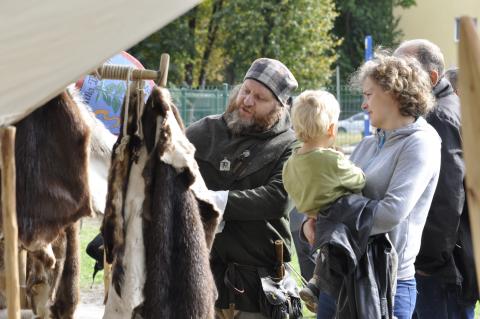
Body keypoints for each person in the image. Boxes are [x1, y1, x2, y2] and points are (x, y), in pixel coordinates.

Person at [303, 52, 441, 319]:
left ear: (393, 91)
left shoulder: (421, 143)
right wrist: (312, 218)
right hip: (340, 274)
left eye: (368, 95)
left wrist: (327, 222)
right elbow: (337, 194)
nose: (364, 105)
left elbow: (390, 213)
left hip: (386, 282)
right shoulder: (368, 143)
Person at [186, 58, 299, 319]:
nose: (247, 101)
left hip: (258, 288)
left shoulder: (290, 145)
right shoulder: (203, 132)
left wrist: (213, 201)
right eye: (245, 91)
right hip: (203, 279)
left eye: (259, 97)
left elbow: (278, 198)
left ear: (280, 107)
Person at [395, 39, 479, 319]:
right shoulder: (436, 111)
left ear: (432, 77)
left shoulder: (440, 116)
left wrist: (427, 261)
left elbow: (446, 197)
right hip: (439, 263)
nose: (396, 77)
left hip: (441, 268)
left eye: (405, 69)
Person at [282, 90, 365, 312]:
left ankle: (316, 282)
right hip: (337, 219)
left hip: (310, 214)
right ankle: (318, 283)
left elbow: (289, 184)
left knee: (324, 254)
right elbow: (359, 180)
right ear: (331, 129)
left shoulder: (291, 162)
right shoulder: (332, 160)